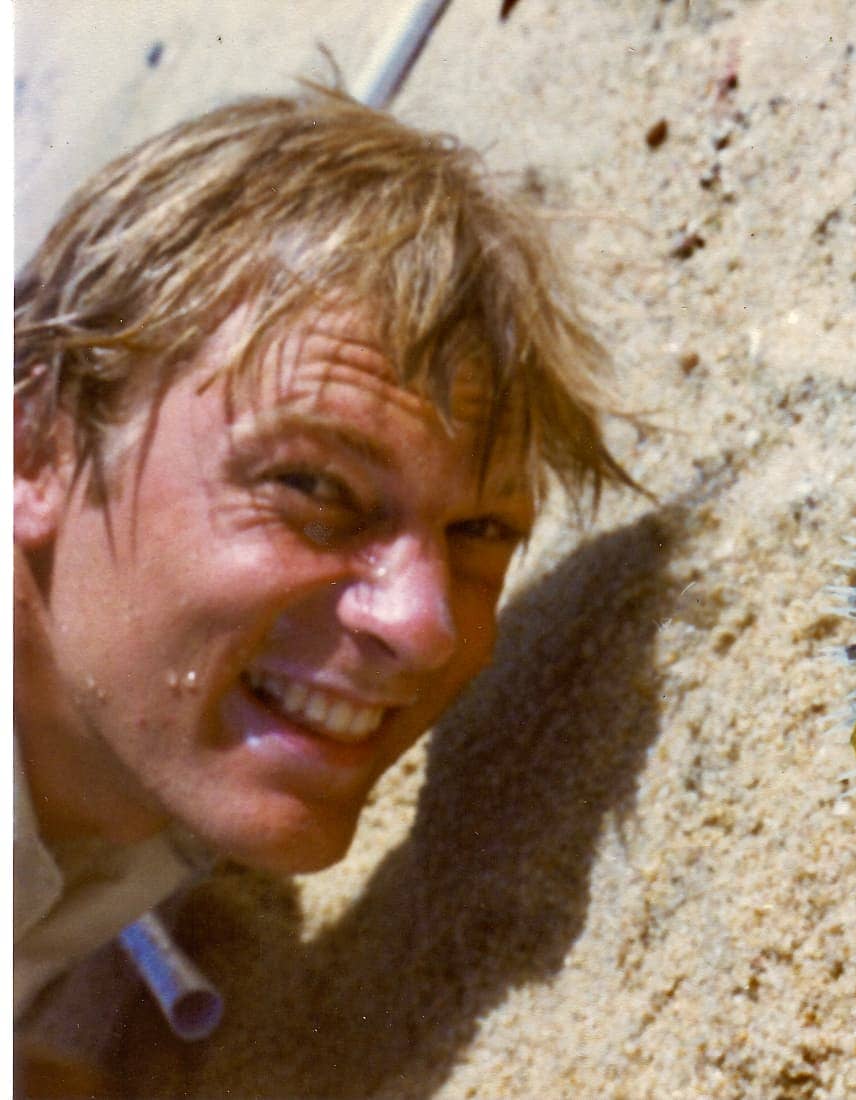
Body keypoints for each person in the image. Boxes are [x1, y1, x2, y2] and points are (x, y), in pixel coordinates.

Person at [13, 84, 634, 1081]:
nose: (426, 624)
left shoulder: (150, 729)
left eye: (480, 530)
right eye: (312, 486)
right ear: (36, 445)